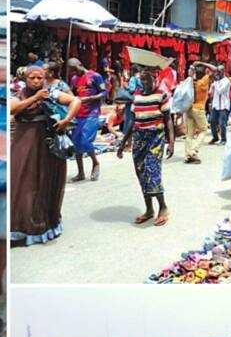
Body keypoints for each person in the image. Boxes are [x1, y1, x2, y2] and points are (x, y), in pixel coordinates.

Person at [9, 65, 78, 246]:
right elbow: (12, 109)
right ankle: (21, 226)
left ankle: (45, 224)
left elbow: (75, 101)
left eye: (40, 78)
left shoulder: (52, 93)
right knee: (22, 182)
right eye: (33, 78)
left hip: (47, 143)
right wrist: (35, 98)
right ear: (25, 79)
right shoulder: (18, 93)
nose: (37, 81)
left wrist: (66, 120)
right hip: (24, 142)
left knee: (45, 181)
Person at [116, 66, 174, 227]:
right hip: (139, 138)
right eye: (143, 79)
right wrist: (122, 144)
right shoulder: (137, 97)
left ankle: (163, 207)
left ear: (155, 78)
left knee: (152, 169)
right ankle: (149, 209)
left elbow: (168, 119)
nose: (145, 83)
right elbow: (132, 121)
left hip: (156, 137)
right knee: (141, 172)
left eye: (148, 79)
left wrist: (171, 142)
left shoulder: (161, 95)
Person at [67, 58, 106, 182]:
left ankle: (95, 163)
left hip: (92, 112)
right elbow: (72, 94)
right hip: (78, 113)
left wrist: (91, 98)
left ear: (80, 64)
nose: (74, 73)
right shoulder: (74, 79)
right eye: (71, 71)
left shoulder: (95, 76)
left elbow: (104, 92)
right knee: (75, 141)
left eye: (74, 69)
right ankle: (81, 172)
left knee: (85, 140)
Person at [183, 61, 213, 163]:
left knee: (189, 134)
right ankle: (193, 151)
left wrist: (193, 67)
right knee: (204, 130)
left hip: (189, 108)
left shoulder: (191, 81)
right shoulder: (204, 81)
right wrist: (202, 63)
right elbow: (215, 69)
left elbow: (190, 74)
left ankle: (188, 155)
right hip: (199, 108)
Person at [209, 67, 231, 145]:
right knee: (212, 121)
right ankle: (215, 137)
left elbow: (219, 91)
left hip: (223, 105)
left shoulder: (227, 81)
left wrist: (215, 83)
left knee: (222, 124)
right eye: (216, 72)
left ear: (223, 71)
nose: (217, 73)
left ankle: (223, 139)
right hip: (215, 105)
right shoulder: (216, 81)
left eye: (219, 71)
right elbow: (211, 92)